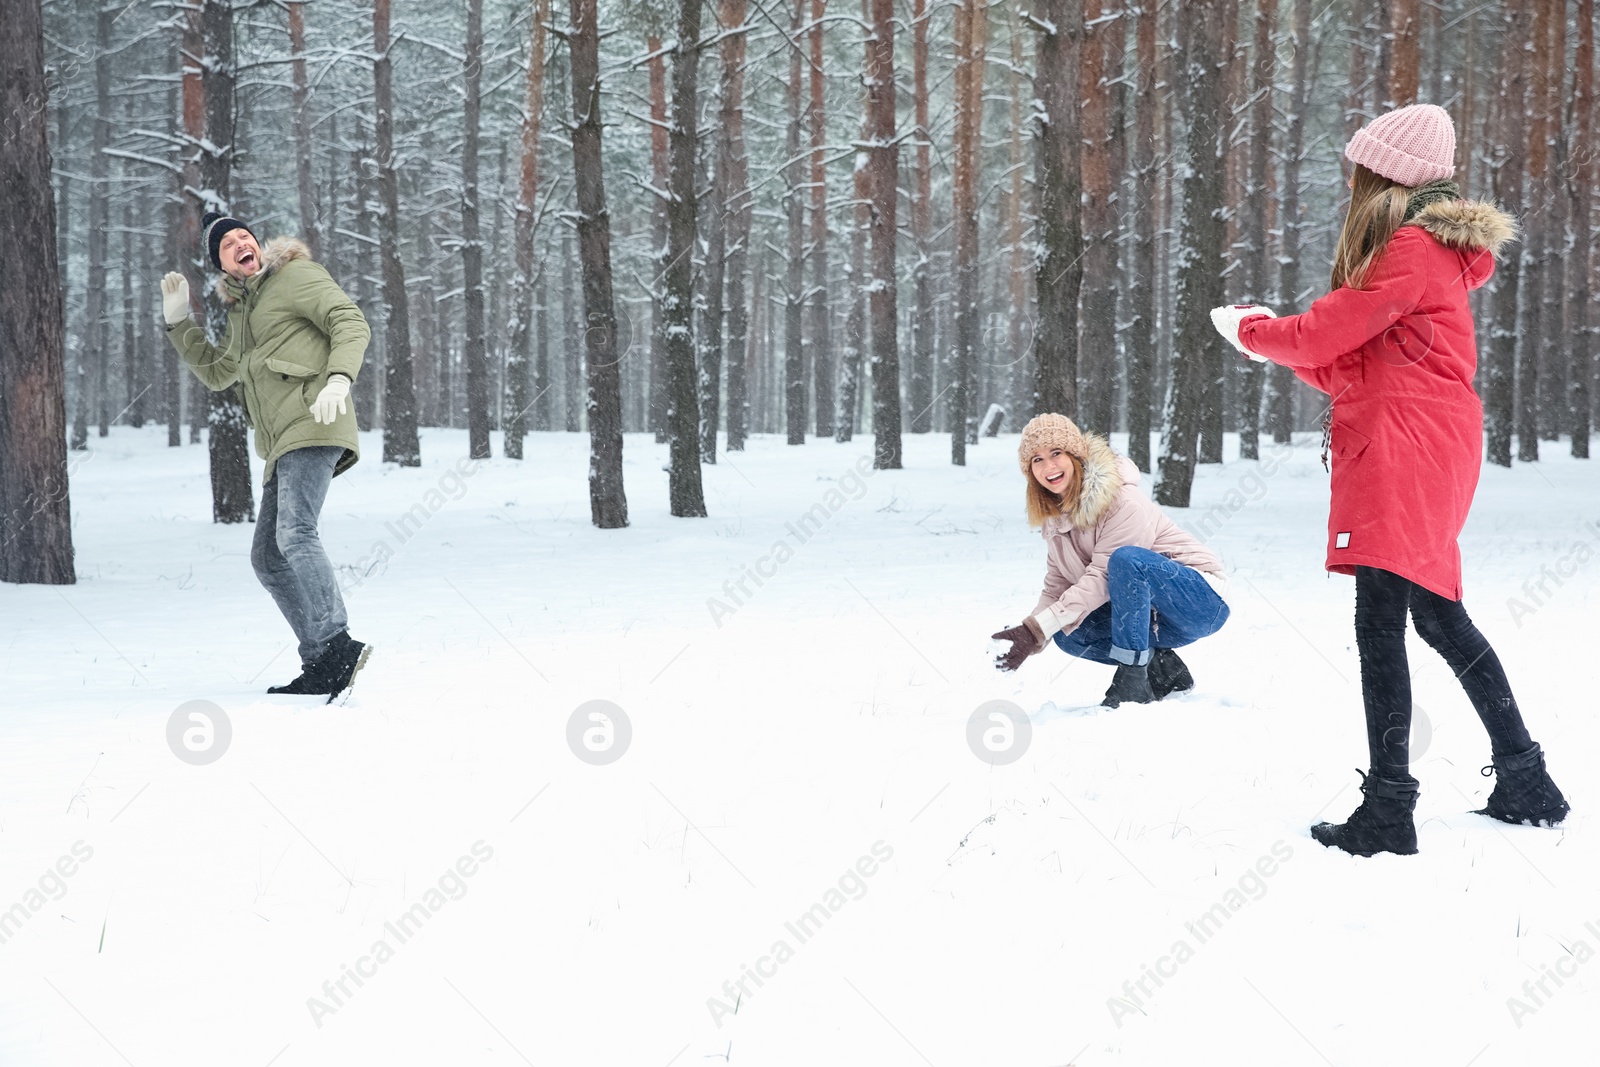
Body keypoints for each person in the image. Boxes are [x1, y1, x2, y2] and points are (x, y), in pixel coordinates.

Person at [1211, 103, 1568, 857]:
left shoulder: (1407, 246)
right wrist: (1266, 340)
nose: (1354, 178)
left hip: (1403, 449)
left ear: (1390, 175)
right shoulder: (1434, 252)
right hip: (1433, 442)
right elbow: (1348, 362)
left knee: (1380, 618)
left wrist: (1251, 329)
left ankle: (1388, 808)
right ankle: (1526, 777)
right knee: (1437, 617)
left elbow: (1323, 334)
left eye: (1363, 166)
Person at [160, 212, 373, 703]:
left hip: (316, 417)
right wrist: (179, 323)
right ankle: (320, 662)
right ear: (222, 264)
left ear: (259, 245)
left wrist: (339, 378)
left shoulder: (296, 275)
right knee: (268, 558)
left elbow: (348, 320)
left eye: (244, 236)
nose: (240, 244)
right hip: (281, 441)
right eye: (227, 244)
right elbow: (218, 373)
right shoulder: (241, 312)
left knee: (295, 533)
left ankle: (337, 642)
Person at [992, 414, 1231, 708]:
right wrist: (1033, 631)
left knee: (1126, 560)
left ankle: (1132, 681)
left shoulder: (1122, 501)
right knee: (1069, 634)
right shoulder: (1056, 520)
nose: (1049, 466)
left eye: (1056, 453)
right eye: (1037, 460)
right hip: (1155, 616)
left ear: (1075, 456)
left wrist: (1037, 628)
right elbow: (1057, 585)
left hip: (1199, 601)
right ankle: (1163, 671)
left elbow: (1103, 577)